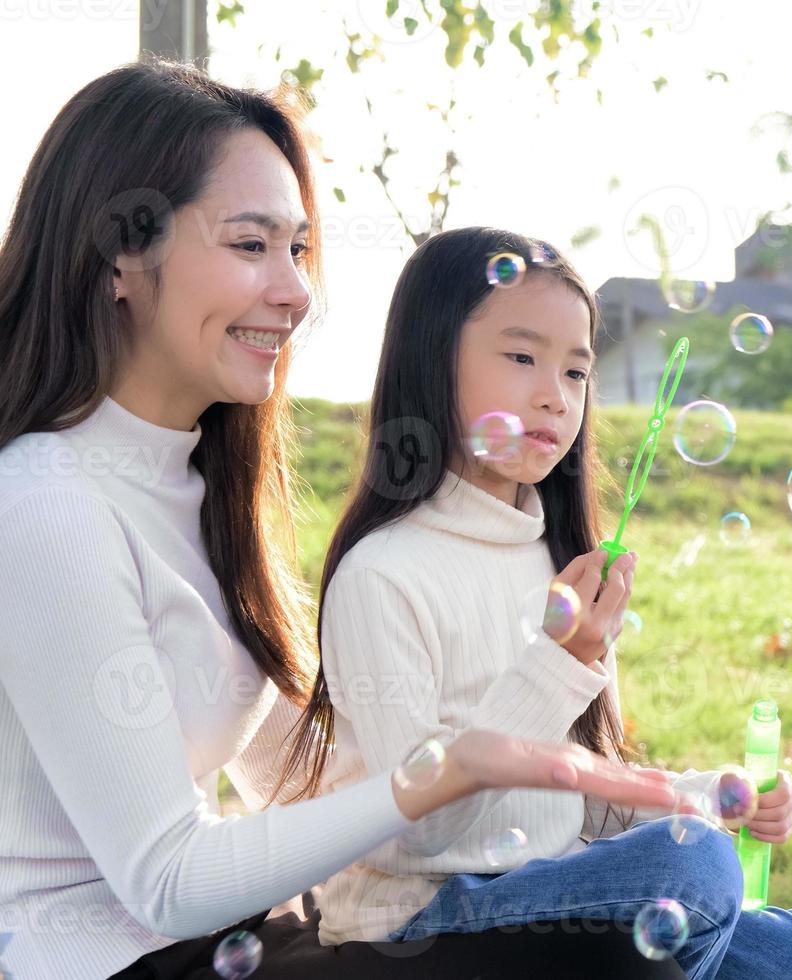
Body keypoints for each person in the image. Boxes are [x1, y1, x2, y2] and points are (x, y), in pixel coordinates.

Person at [0, 62, 684, 979]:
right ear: (125, 252)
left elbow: (310, 789)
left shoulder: (202, 494)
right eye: (252, 246)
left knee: (722, 932)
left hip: (219, 943)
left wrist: (633, 795)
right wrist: (444, 772)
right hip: (99, 963)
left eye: (300, 251)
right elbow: (167, 878)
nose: (295, 293)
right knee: (611, 965)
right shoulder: (47, 502)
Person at [291, 226, 792, 980]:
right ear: (430, 356)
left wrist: (706, 795)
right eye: (522, 357)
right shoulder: (384, 573)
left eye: (575, 371)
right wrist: (559, 662)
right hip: (417, 914)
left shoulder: (555, 561)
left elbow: (587, 799)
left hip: (547, 883)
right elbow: (418, 831)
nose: (552, 397)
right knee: (692, 874)